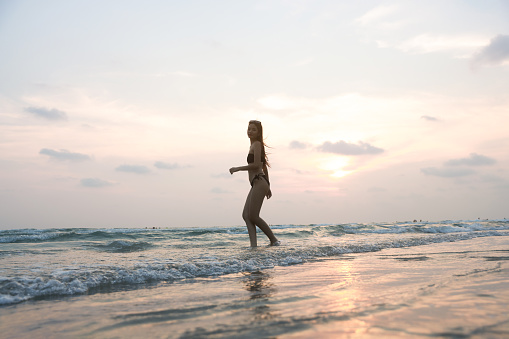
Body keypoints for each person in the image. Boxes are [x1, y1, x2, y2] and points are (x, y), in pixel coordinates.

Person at [229, 120, 280, 247]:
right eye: (249, 129)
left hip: (259, 181)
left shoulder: (257, 144)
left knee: (253, 216)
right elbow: (264, 166)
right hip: (258, 183)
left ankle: (274, 240)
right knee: (246, 215)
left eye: (253, 129)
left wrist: (238, 168)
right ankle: (253, 246)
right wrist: (269, 185)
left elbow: (257, 165)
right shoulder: (254, 145)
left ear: (258, 133)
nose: (250, 131)